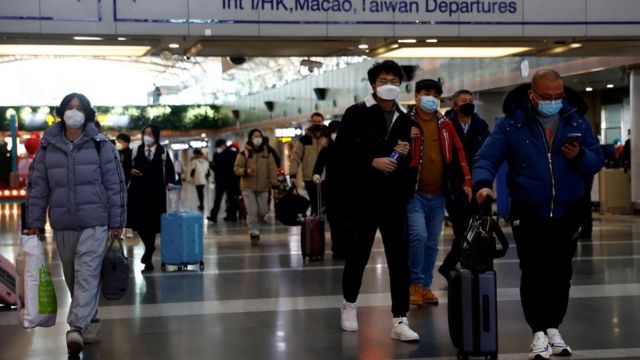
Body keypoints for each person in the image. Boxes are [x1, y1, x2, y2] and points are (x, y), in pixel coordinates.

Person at [473, 69, 604, 360]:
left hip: (568, 211)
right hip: (529, 210)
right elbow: (486, 157)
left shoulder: (576, 122)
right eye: (546, 97)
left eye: (558, 97)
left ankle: (553, 328)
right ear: (532, 95)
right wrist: (482, 185)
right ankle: (537, 332)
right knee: (533, 270)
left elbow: (596, 161)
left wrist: (579, 155)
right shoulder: (511, 126)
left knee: (561, 272)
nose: (553, 102)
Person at [25, 93, 127, 356]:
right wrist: (33, 223)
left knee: (88, 273)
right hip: (63, 224)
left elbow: (115, 186)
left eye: (79, 108)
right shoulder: (48, 147)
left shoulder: (101, 145)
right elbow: (37, 187)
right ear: (61, 112)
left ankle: (75, 329)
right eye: (69, 108)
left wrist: (117, 222)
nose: (74, 112)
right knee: (73, 276)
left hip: (96, 222)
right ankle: (89, 323)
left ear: (87, 114)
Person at [335, 60, 419, 342]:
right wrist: (372, 161)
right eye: (384, 80)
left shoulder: (406, 118)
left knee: (399, 260)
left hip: (393, 200)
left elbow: (405, 162)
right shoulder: (356, 113)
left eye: (395, 80)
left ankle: (400, 318)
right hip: (363, 198)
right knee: (358, 254)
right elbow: (342, 155)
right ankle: (349, 305)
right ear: (373, 84)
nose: (390, 85)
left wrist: (402, 156)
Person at [406, 79, 471, 306]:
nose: (431, 97)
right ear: (416, 96)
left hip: (439, 193)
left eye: (435, 94)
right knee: (418, 236)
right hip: (413, 194)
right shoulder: (406, 122)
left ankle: (425, 286)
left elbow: (459, 153)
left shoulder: (445, 124)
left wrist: (467, 182)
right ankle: (414, 283)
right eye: (426, 93)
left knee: (432, 242)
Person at [438, 89, 490, 278]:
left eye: (471, 100)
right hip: (456, 186)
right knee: (462, 230)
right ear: (455, 105)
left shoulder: (480, 125)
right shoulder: (445, 125)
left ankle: (466, 266)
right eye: (463, 100)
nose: (468, 103)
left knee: (479, 229)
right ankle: (451, 265)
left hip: (478, 184)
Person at [127, 124, 175, 273]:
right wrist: (130, 171)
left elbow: (169, 170)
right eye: (145, 133)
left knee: (152, 224)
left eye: (150, 133)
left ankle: (148, 258)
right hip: (137, 192)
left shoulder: (162, 152)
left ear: (156, 135)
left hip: (156, 193)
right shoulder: (135, 150)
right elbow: (125, 166)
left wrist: (169, 182)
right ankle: (150, 247)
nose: (147, 136)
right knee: (140, 224)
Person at [312, 120, 349, 259]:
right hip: (332, 188)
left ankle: (346, 246)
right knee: (335, 220)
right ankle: (338, 247)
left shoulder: (350, 147)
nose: (336, 135)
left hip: (348, 189)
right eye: (334, 132)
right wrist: (316, 174)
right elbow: (318, 165)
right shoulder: (326, 149)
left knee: (346, 220)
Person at [234, 129, 278, 245]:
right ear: (251, 138)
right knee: (252, 211)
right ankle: (254, 232)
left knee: (263, 212)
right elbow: (236, 169)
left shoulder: (267, 153)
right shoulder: (244, 153)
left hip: (264, 187)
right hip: (248, 187)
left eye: (259, 136)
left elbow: (272, 170)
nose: (257, 138)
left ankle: (255, 227)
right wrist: (245, 171)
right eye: (255, 136)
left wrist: (275, 184)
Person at [289, 112, 330, 215]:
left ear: (323, 122)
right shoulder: (304, 140)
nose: (317, 123)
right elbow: (295, 158)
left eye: (319, 121)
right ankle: (316, 226)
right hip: (310, 177)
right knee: (315, 204)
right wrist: (292, 175)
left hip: (327, 177)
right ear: (311, 122)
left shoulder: (328, 138)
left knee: (327, 204)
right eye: (315, 121)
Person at [208, 139, 239, 222]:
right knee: (217, 200)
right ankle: (213, 216)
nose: (218, 148)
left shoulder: (232, 154)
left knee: (231, 199)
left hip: (230, 180)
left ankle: (232, 216)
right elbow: (216, 168)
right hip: (220, 181)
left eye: (219, 146)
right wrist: (211, 166)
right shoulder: (216, 154)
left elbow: (235, 168)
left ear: (224, 145)